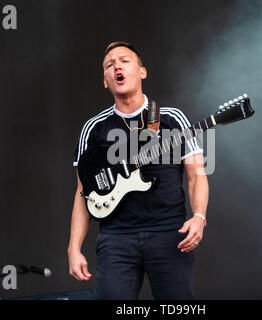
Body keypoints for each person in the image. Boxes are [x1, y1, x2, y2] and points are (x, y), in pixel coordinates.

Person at [67, 42, 209, 299]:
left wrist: (199, 215)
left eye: (124, 61)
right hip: (116, 240)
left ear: (142, 72)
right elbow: (82, 193)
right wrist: (73, 248)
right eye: (110, 65)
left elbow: (196, 174)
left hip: (170, 235)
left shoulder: (170, 118)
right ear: (105, 82)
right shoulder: (94, 128)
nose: (116, 66)